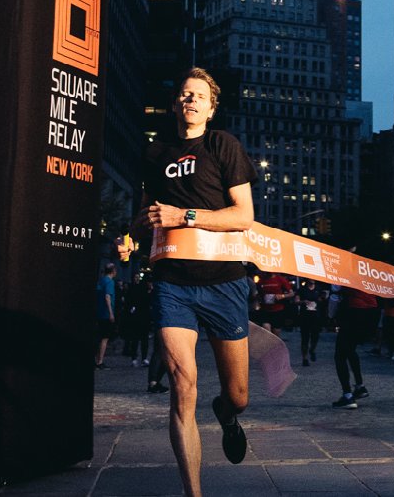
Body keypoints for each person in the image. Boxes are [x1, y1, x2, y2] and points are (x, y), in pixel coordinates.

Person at [133, 67, 257, 497]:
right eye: (184, 95)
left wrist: (183, 216)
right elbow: (143, 213)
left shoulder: (222, 145)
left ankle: (226, 414)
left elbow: (243, 216)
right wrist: (137, 228)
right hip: (173, 283)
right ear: (175, 104)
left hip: (224, 280)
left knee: (238, 394)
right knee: (182, 382)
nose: (190, 101)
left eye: (199, 96)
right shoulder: (155, 152)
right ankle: (194, 493)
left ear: (211, 106)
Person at [331, 285, 377, 408]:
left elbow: (336, 292)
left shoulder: (345, 270)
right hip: (370, 312)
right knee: (350, 350)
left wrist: (332, 315)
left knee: (340, 355)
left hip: (352, 311)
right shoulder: (366, 268)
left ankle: (347, 396)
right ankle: (360, 386)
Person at [253, 272, 294, 336]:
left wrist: (282, 296)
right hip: (265, 310)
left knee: (276, 333)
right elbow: (258, 293)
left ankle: (275, 345)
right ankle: (268, 345)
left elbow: (291, 293)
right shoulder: (261, 280)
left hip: (277, 310)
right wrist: (258, 298)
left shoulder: (281, 279)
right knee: (266, 329)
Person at [95, 264, 118, 369]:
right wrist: (111, 313)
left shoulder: (101, 281)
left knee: (99, 338)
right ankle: (100, 361)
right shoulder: (110, 282)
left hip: (99, 313)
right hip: (105, 314)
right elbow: (107, 297)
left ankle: (96, 360)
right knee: (104, 339)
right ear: (113, 271)